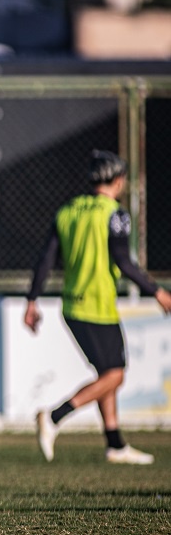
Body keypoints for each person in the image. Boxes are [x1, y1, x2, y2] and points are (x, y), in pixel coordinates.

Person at [25, 150, 171, 465]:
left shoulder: (68, 210)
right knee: (116, 375)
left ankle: (115, 444)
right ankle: (54, 416)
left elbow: (46, 259)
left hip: (71, 306)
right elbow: (124, 262)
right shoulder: (114, 214)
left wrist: (32, 300)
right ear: (118, 181)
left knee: (107, 372)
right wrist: (156, 292)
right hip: (98, 306)